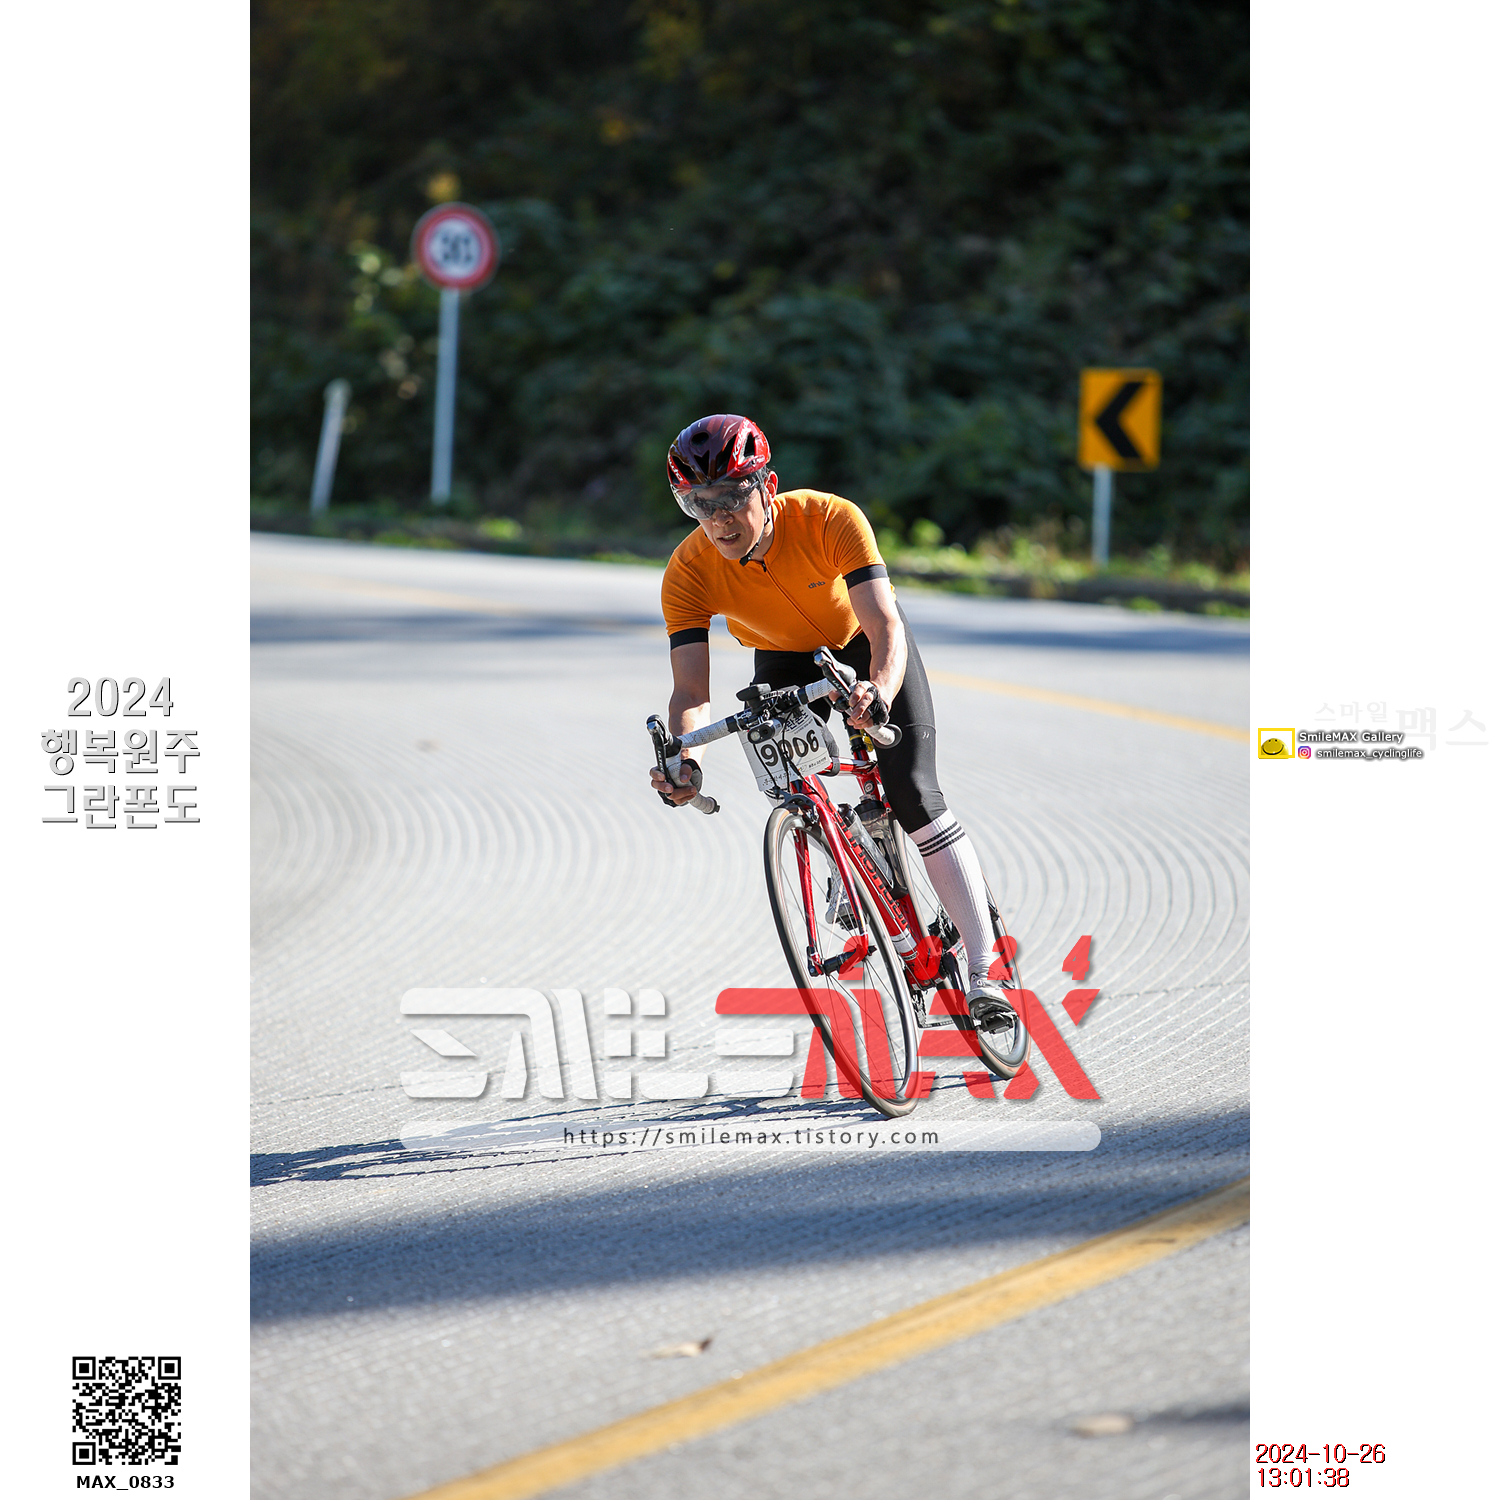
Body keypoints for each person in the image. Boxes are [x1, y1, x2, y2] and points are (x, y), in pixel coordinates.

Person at [646, 413, 1022, 1042]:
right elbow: (691, 691)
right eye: (698, 504)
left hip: (863, 644)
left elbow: (885, 626)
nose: (718, 519)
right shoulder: (687, 572)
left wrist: (879, 692)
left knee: (911, 791)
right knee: (794, 786)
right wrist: (688, 759)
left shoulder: (829, 518)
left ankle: (988, 974)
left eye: (731, 496)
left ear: (767, 486)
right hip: (781, 658)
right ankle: (851, 863)